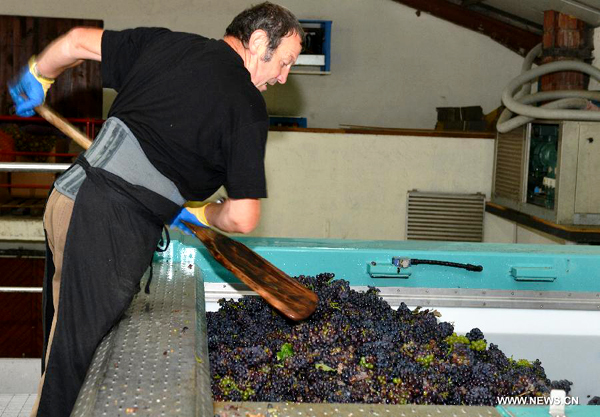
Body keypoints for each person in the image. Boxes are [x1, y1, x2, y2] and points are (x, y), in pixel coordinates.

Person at [8, 3, 303, 416]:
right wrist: (204, 214)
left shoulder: (167, 43)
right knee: (74, 364)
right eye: (285, 62)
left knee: (63, 346)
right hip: (109, 224)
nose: (283, 76)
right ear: (257, 42)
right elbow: (242, 217)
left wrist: (39, 74)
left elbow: (75, 41)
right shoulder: (247, 106)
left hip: (67, 201)